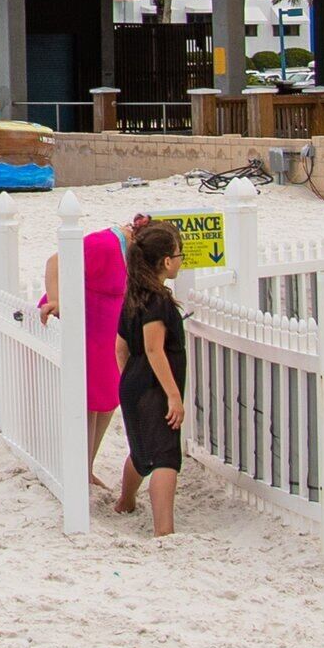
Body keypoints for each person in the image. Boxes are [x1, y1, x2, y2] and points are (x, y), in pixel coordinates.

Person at [111, 220, 191, 535]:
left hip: (133, 382)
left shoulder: (133, 296)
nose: (181, 260)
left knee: (141, 451)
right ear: (166, 262)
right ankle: (164, 530)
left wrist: (129, 380)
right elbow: (154, 349)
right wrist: (172, 395)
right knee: (166, 457)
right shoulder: (157, 300)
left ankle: (125, 501)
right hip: (154, 387)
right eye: (179, 254)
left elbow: (120, 348)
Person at [40, 223, 130, 495]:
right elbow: (55, 261)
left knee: (107, 399)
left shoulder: (134, 254)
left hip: (106, 328)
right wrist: (56, 299)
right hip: (84, 323)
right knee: (88, 399)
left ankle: (86, 466)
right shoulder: (105, 244)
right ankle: (78, 469)